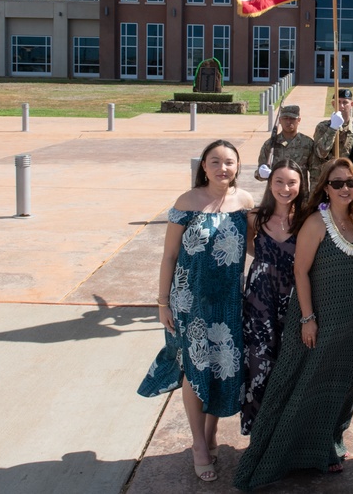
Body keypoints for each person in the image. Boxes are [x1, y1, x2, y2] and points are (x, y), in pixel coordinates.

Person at [234, 158, 353, 490]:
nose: (344, 189)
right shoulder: (315, 223)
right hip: (317, 317)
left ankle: (330, 445)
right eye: (337, 183)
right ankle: (286, 448)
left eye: (350, 183)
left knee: (342, 385)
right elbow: (300, 271)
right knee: (307, 382)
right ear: (325, 187)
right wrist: (308, 319)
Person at [138, 139, 255, 483]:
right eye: (215, 161)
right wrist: (162, 303)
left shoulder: (245, 201)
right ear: (203, 166)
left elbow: (253, 246)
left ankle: (210, 431)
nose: (222, 168)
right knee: (195, 369)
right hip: (190, 302)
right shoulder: (186, 203)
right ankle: (198, 444)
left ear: (237, 166)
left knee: (222, 368)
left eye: (229, 162)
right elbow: (170, 256)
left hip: (230, 301)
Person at [241, 159, 309, 435]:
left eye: (292, 182)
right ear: (270, 184)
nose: (285, 188)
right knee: (259, 362)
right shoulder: (255, 216)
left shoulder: (309, 218)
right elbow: (248, 245)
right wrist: (267, 265)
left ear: (301, 185)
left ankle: (289, 434)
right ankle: (259, 432)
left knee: (292, 364)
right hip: (260, 301)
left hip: (295, 297)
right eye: (279, 181)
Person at [310, 88, 353, 186]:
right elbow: (320, 153)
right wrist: (333, 128)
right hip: (325, 181)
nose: (341, 106)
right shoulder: (322, 127)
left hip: (348, 183)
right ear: (333, 104)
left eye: (345, 102)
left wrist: (350, 176)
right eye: (338, 102)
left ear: (352, 104)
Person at [255, 105, 315, 182]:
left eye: (292, 118)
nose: (288, 122)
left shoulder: (308, 144)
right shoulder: (270, 144)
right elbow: (259, 173)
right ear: (280, 120)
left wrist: (314, 193)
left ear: (299, 120)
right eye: (285, 118)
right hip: (276, 192)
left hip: (300, 192)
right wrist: (261, 174)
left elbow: (315, 173)